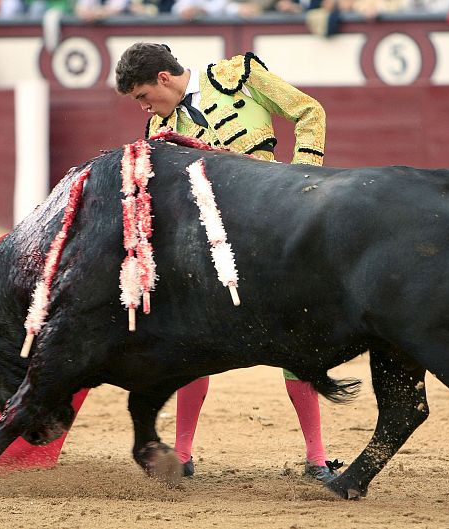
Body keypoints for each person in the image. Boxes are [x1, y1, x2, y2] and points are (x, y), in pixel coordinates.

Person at [115, 42, 337, 483]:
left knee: (295, 339)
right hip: (206, 250)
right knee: (190, 344)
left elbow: (309, 112)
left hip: (273, 232)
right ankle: (182, 455)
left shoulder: (240, 76)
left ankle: (316, 459)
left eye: (143, 97)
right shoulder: (159, 132)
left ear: (163, 78)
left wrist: (302, 182)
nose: (143, 109)